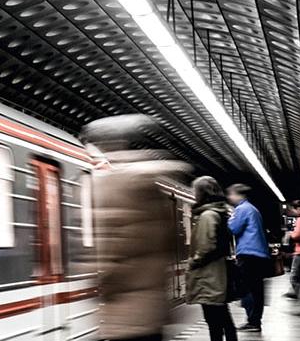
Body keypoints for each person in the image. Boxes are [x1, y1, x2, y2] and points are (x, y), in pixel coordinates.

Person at [86, 114, 188, 341]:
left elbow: (115, 248)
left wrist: (102, 280)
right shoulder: (151, 185)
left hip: (125, 310)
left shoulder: (114, 184)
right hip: (152, 306)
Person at [185, 176, 237, 341]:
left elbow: (206, 246)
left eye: (195, 191)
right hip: (217, 270)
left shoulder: (208, 215)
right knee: (221, 314)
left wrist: (194, 261)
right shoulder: (220, 212)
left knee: (213, 318)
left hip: (209, 273)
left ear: (202, 192)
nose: (194, 194)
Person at [226, 183, 270, 331]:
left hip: (248, 253)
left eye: (231, 194)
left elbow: (232, 228)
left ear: (240, 195)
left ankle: (252, 321)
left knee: (246, 288)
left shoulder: (242, 209)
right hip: (258, 253)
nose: (229, 197)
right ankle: (255, 321)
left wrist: (227, 219)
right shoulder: (253, 209)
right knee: (257, 289)